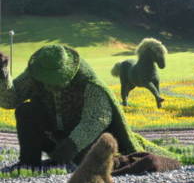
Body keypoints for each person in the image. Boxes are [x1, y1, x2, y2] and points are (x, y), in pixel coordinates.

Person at [0, 45, 142, 169]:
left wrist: (69, 147)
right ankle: (28, 163)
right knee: (26, 111)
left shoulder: (89, 82)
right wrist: (3, 74)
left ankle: (68, 158)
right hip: (53, 136)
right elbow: (10, 101)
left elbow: (97, 119)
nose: (51, 85)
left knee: (88, 161)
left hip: (83, 141)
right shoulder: (36, 73)